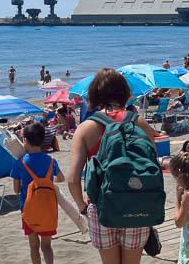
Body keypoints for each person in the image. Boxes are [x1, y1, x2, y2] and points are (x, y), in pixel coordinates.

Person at [67, 68, 157, 264]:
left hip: (101, 206)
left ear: (94, 94)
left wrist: (83, 207)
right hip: (137, 204)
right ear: (124, 92)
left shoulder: (85, 129)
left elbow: (73, 180)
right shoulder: (140, 124)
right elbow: (152, 164)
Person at [11, 122, 64, 264]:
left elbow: (16, 190)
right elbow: (61, 178)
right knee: (47, 246)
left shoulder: (20, 162)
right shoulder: (51, 161)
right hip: (48, 209)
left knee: (34, 246)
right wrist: (48, 182)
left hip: (28, 210)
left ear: (26, 141)